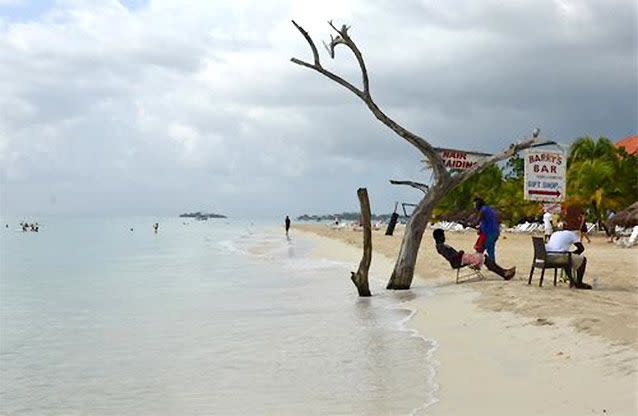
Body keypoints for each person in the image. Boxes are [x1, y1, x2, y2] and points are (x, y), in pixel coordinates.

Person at [433, 229, 516, 280]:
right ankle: (503, 273)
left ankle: (503, 272)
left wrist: (460, 254)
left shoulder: (441, 246)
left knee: (484, 257)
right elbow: (451, 257)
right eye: (442, 236)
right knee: (485, 258)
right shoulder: (441, 247)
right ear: (438, 237)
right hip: (459, 260)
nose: (444, 237)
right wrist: (460, 253)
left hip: (461, 258)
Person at [473, 197, 500, 261]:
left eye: (475, 205)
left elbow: (476, 222)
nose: (474, 207)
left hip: (489, 233)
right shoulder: (489, 209)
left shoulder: (483, 210)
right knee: (480, 248)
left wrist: (466, 224)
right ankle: (477, 263)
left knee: (489, 250)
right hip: (495, 232)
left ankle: (493, 265)